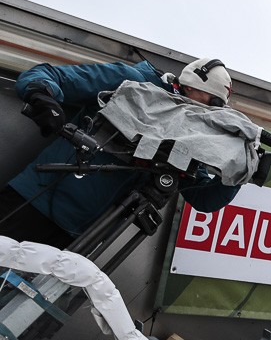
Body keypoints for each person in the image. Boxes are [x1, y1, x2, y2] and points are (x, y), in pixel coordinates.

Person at [0, 57, 242, 247]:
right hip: (31, 202)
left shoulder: (192, 132)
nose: (211, 112)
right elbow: (49, 75)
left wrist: (238, 174)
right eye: (213, 102)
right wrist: (41, 96)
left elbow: (202, 198)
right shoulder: (132, 83)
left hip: (79, 236)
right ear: (192, 83)